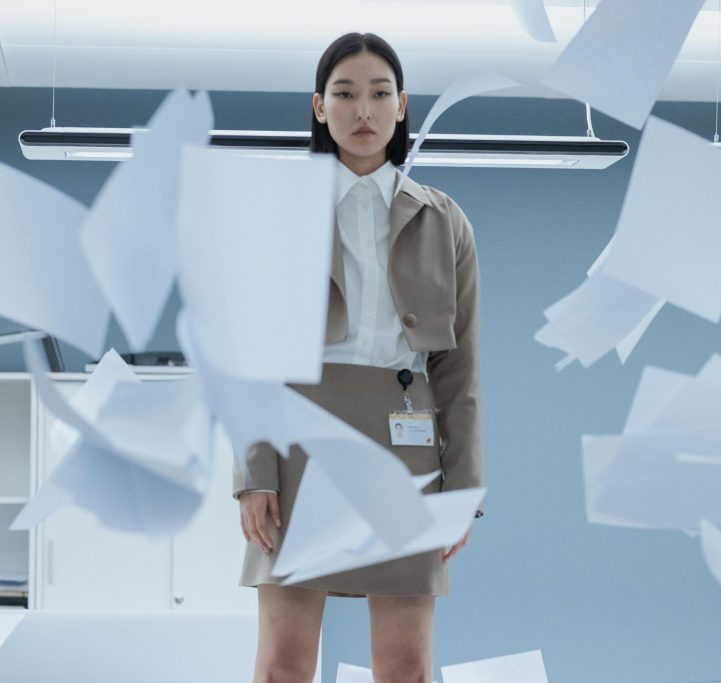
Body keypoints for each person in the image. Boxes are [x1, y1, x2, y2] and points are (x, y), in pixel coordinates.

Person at [233, 32, 482, 683]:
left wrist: (463, 487)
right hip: (296, 447)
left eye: (379, 94)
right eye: (345, 94)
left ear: (402, 106)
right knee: (284, 664)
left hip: (406, 453)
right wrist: (254, 473)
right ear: (320, 106)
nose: (363, 110)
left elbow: (461, 371)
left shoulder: (447, 221)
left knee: (405, 666)